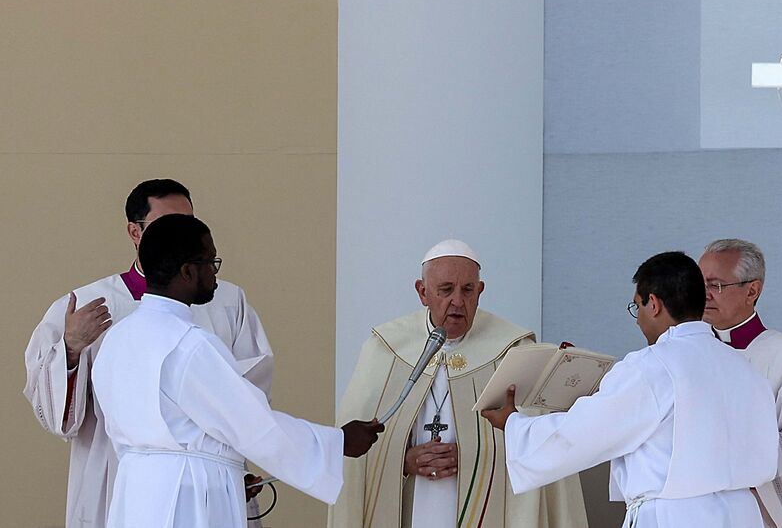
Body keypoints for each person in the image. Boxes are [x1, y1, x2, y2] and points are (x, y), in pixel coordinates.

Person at [91, 214, 384, 527]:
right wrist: (337, 442)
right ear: (188, 271)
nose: (215, 274)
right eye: (210, 262)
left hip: (136, 494)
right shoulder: (189, 344)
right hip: (189, 496)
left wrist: (226, 470)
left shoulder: (118, 338)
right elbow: (252, 425)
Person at [23, 179, 273, 528]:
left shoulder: (227, 302)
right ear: (135, 232)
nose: (179, 233)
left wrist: (230, 463)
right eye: (165, 224)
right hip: (119, 478)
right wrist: (71, 349)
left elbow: (250, 389)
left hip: (206, 480)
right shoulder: (84, 305)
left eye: (187, 222)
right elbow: (58, 419)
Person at [482, 251, 779, 528]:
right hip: (743, 514)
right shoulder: (744, 366)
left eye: (637, 306)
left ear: (654, 304)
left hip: (674, 517)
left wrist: (515, 425)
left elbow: (585, 433)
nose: (638, 319)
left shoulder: (652, 365)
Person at [329, 239, 586, 528]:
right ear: (422, 292)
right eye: (446, 289)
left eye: (467, 290)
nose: (458, 301)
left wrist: (473, 457)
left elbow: (539, 445)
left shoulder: (513, 350)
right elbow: (355, 453)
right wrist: (404, 461)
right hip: (409, 505)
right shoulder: (386, 349)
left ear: (480, 291)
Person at [699, 239, 782, 528]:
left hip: (756, 512)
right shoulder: (687, 358)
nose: (704, 294)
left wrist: (725, 454)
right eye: (699, 284)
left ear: (752, 291)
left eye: (716, 285)